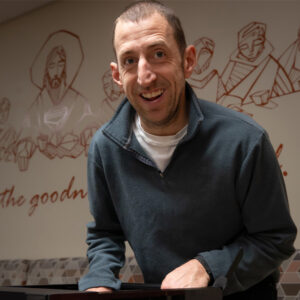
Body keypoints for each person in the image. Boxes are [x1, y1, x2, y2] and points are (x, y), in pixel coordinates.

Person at [79, 1, 297, 298]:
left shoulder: (246, 140)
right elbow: (105, 233)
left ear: (188, 60)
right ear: (117, 76)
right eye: (130, 60)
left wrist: (207, 267)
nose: (145, 76)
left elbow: (276, 239)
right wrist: (99, 279)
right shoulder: (104, 148)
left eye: (158, 54)